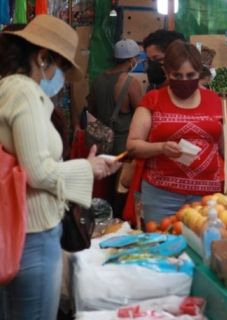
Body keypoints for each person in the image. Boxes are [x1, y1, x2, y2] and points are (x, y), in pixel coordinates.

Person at [0, 15, 119, 320]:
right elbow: (39, 171)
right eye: (62, 67)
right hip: (33, 232)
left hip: (20, 229)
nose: (62, 78)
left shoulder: (9, 88)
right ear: (42, 58)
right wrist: (87, 168)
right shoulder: (24, 91)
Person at [127, 41, 227, 223]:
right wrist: (161, 147)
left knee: (205, 246)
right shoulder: (152, 100)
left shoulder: (215, 101)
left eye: (190, 75)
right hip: (162, 197)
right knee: (163, 245)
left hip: (209, 198)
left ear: (200, 73)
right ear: (167, 73)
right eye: (177, 75)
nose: (184, 81)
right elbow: (133, 145)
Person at [87, 39, 143, 155]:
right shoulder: (131, 83)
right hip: (122, 143)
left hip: (101, 142)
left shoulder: (98, 79)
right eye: (137, 58)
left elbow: (91, 108)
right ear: (132, 60)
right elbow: (141, 114)